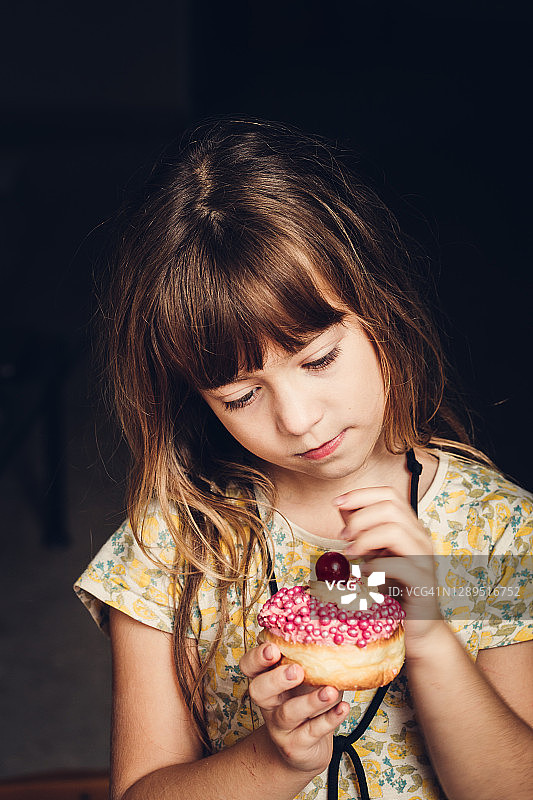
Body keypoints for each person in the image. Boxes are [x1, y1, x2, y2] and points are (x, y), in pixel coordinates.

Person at [74, 117, 533, 800]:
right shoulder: (173, 546)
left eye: (318, 359)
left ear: (378, 309)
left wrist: (430, 632)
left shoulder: (491, 531)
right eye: (238, 396)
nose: (297, 419)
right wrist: (276, 758)